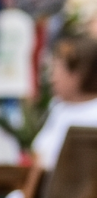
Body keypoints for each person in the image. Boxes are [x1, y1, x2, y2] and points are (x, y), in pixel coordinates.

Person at [33, 35, 97, 169]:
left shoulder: (93, 114)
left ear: (80, 73)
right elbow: (40, 153)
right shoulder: (58, 107)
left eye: (58, 69)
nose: (52, 79)